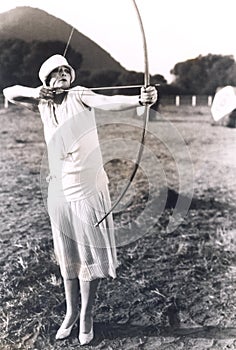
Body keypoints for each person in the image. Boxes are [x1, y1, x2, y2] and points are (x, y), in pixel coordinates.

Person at [3, 54, 157, 345]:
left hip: (88, 188)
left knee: (89, 255)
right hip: (59, 190)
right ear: (47, 81)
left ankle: (86, 315)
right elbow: (9, 93)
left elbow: (109, 102)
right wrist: (34, 92)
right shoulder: (43, 103)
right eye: (56, 72)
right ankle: (70, 313)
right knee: (68, 255)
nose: (63, 74)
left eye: (66, 71)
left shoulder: (79, 94)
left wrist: (140, 99)